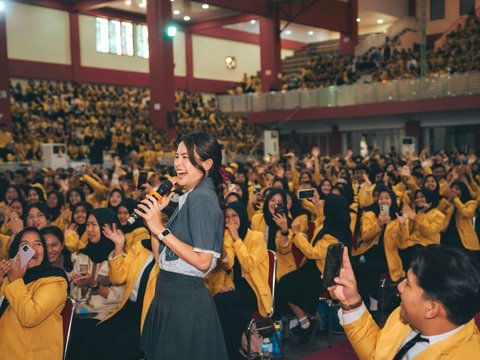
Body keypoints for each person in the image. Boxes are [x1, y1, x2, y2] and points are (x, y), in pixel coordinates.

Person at [134, 132, 228, 360]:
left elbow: (204, 262)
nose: (177, 163)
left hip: (184, 301)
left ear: (206, 164)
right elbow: (161, 260)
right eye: (177, 156)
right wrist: (153, 223)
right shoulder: (191, 196)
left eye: (185, 157)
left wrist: (161, 230)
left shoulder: (202, 198)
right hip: (169, 293)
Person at [330, 245, 480, 359]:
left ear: (431, 308)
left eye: (408, 284)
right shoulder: (406, 316)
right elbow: (378, 354)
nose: (400, 287)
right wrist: (351, 300)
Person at [277, 193, 351, 346]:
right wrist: (316, 204)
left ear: (331, 210)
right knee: (286, 280)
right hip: (315, 268)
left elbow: (312, 252)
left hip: (323, 275)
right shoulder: (333, 224)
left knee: (285, 283)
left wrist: (297, 235)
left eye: (326, 204)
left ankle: (306, 324)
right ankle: (307, 320)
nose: (322, 205)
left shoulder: (333, 235)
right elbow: (320, 218)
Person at [214, 201, 271, 360]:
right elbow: (228, 265)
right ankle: (233, 352)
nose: (230, 220)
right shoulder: (227, 237)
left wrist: (236, 238)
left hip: (254, 291)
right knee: (225, 307)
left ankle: (232, 351)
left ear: (242, 216)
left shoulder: (256, 237)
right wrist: (222, 246)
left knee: (221, 303)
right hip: (237, 290)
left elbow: (249, 264)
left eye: (234, 216)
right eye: (227, 217)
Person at [0, 227, 69, 359]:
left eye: (38, 244)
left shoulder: (55, 281)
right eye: (25, 245)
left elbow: (30, 316)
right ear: (15, 252)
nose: (32, 249)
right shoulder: (8, 279)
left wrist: (15, 280)